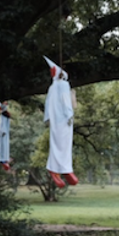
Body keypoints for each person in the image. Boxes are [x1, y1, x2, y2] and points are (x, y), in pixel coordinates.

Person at [43, 57, 78, 188]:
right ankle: (59, 169)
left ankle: (63, 168)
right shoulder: (62, 85)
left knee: (58, 143)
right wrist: (69, 115)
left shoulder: (53, 87)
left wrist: (47, 118)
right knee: (63, 144)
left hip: (57, 121)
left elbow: (49, 103)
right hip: (63, 120)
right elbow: (65, 101)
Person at [0, 102, 11, 171]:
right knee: (3, 146)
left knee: (3, 146)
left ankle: (4, 161)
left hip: (3, 133)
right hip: (3, 133)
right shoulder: (4, 116)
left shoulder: (4, 116)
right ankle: (4, 161)